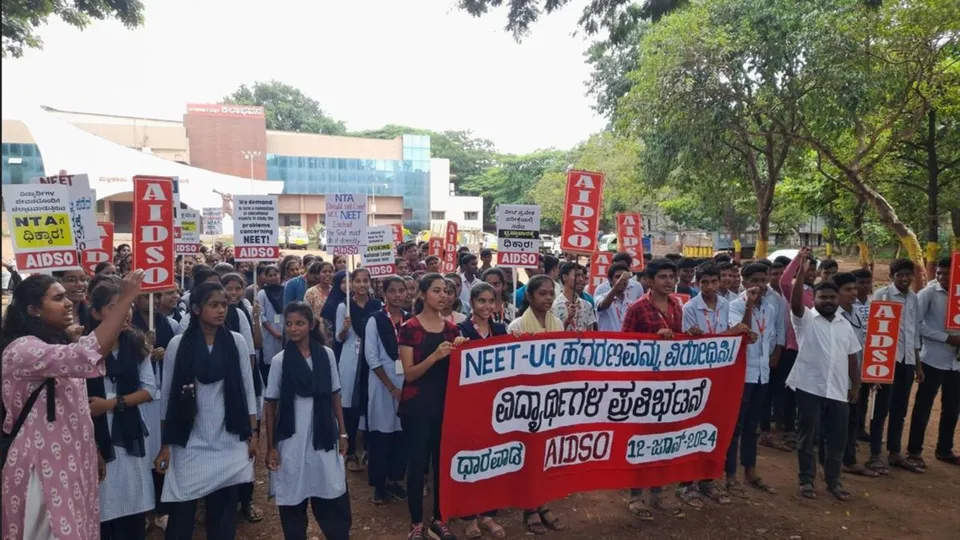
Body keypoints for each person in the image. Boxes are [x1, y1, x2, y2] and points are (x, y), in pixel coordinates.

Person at [2, 270, 144, 540]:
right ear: (33, 309)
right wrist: (125, 300)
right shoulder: (22, 349)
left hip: (72, 459)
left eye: (67, 296)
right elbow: (85, 355)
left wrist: (92, 448)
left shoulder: (54, 341)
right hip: (41, 465)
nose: (69, 303)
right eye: (58, 298)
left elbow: (74, 405)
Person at [155, 282, 258, 540]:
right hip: (189, 438)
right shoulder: (178, 345)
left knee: (223, 512)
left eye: (224, 305)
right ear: (196, 309)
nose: (221, 310)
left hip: (229, 436)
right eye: (214, 305)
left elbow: (247, 390)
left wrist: (252, 432)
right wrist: (166, 443)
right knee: (182, 510)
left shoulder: (236, 342)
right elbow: (167, 394)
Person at [265, 302, 352, 540]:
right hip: (292, 436)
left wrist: (342, 433)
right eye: (289, 324)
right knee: (293, 494)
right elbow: (270, 403)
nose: (293, 329)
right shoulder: (280, 361)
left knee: (330, 490)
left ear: (311, 325)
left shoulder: (327, 355)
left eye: (299, 323)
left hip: (323, 433)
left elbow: (335, 394)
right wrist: (272, 446)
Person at [85, 280, 158, 540]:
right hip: (95, 439)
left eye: (126, 306)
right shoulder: (83, 348)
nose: (124, 313)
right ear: (95, 313)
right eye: (114, 307)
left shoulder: (137, 345)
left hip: (129, 438)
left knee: (131, 512)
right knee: (101, 511)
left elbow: (149, 390)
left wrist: (111, 404)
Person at [786, 248, 861, 501]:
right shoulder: (804, 319)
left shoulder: (845, 324)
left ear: (837, 298)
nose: (828, 301)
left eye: (832, 297)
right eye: (823, 297)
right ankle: (806, 481)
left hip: (839, 390)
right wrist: (802, 272)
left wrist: (856, 385)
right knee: (808, 437)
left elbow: (852, 356)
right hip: (810, 387)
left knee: (836, 439)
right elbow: (795, 302)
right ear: (814, 299)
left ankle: (834, 481)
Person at [398, 273, 467, 540]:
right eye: (437, 290)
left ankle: (440, 519)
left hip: (443, 407)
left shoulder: (452, 329)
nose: (443, 296)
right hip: (416, 408)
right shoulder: (409, 328)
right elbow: (410, 374)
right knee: (417, 466)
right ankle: (416, 523)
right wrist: (436, 355)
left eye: (446, 291)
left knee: (441, 465)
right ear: (423, 294)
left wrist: (461, 351)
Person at [619, 260, 685, 521]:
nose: (669, 281)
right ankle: (636, 495)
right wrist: (653, 339)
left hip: (669, 385)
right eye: (663, 277)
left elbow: (680, 343)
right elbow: (624, 345)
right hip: (643, 386)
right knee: (640, 439)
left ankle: (657, 492)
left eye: (672, 277)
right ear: (649, 280)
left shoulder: (677, 307)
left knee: (663, 439)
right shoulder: (637, 309)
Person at [678, 262, 747, 505]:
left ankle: (707, 480)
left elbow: (722, 339)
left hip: (719, 375)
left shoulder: (726, 304)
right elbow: (693, 343)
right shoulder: (689, 308)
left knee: (713, 427)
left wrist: (737, 334)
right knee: (692, 428)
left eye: (713, 281)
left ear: (720, 282)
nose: (709, 286)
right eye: (704, 282)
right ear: (697, 284)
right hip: (695, 377)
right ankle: (686, 484)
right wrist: (729, 334)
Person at [508, 275, 565, 534]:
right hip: (527, 400)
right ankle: (529, 507)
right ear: (529, 297)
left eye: (551, 294)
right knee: (529, 454)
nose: (548, 298)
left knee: (546, 454)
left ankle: (543, 502)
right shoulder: (517, 327)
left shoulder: (559, 324)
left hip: (551, 398)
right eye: (542, 294)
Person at [722, 263, 783, 499]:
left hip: (761, 374)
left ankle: (751, 472)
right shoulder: (734, 306)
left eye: (763, 279)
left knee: (752, 427)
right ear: (744, 282)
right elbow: (742, 332)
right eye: (754, 280)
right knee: (735, 427)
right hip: (742, 374)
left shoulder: (769, 306)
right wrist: (749, 303)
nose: (760, 285)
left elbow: (774, 333)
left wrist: (775, 354)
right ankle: (730, 476)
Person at [458, 282, 508, 539]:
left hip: (498, 408)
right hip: (469, 408)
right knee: (472, 460)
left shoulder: (502, 330)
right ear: (473, 302)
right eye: (482, 301)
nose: (487, 306)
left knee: (494, 460)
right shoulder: (460, 331)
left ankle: (488, 514)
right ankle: (468, 517)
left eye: (492, 301)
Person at [865, 258, 924, 474]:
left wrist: (917, 364)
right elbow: (873, 331)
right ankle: (874, 454)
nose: (905, 278)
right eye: (900, 275)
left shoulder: (915, 299)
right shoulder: (882, 296)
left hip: (907, 361)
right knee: (881, 408)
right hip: (885, 360)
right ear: (892, 276)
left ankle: (895, 453)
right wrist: (874, 367)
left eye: (908, 274)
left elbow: (914, 333)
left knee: (900, 409)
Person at [906, 257, 960, 467]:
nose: (941, 277)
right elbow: (916, 325)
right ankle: (914, 451)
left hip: (956, 363)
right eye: (939, 273)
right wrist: (946, 338)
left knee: (952, 407)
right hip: (932, 359)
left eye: (946, 273)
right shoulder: (929, 293)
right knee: (923, 406)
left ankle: (944, 449)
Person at [364, 277, 410, 505]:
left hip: (407, 384)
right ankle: (379, 485)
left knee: (401, 436)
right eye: (393, 291)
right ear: (385, 294)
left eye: (402, 291)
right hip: (382, 386)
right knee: (382, 435)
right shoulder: (376, 320)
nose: (398, 295)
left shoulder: (410, 320)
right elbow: (372, 358)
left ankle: (395, 480)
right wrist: (391, 387)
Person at [223, 273, 265, 523]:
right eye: (228, 288)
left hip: (242, 388)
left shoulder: (241, 314)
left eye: (238, 288)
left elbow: (252, 353)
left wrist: (256, 319)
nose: (233, 293)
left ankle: (246, 498)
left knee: (246, 443)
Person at [829, 272, 878, 478]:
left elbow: (862, 344)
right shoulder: (833, 316)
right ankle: (836, 462)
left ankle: (848, 459)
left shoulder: (856, 312)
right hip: (839, 378)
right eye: (848, 289)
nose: (853, 293)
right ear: (836, 293)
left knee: (851, 420)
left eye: (854, 289)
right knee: (836, 423)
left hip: (856, 376)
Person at [770, 250, 818, 452]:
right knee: (790, 392)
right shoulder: (795, 292)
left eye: (814, 270)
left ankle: (807, 430)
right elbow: (785, 281)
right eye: (808, 270)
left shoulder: (816, 293)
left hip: (815, 351)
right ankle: (788, 429)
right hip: (795, 348)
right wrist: (799, 259)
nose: (811, 273)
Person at [335, 268, 382, 472]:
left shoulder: (377, 305)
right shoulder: (344, 306)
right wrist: (345, 328)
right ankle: (351, 450)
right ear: (351, 284)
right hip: (351, 361)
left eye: (365, 281)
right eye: (358, 281)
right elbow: (339, 338)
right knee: (351, 407)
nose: (362, 285)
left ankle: (371, 450)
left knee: (371, 404)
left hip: (372, 360)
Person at [851, 267, 874, 441]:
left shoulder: (875, 303)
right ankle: (849, 429)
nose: (865, 286)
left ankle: (859, 428)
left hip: (870, 355)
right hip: (852, 356)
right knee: (852, 393)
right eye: (861, 283)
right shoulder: (848, 304)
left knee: (865, 394)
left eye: (868, 282)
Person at [258, 264, 286, 385]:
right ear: (265, 277)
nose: (273, 277)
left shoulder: (285, 290)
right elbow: (261, 315)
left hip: (285, 329)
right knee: (271, 360)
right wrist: (274, 332)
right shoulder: (262, 293)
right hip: (270, 333)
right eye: (270, 275)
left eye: (275, 274)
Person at [553, 262, 597, 331]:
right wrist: (567, 321)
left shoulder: (587, 306)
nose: (581, 279)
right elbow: (552, 335)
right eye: (577, 275)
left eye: (582, 276)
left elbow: (591, 334)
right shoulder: (554, 307)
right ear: (565, 277)